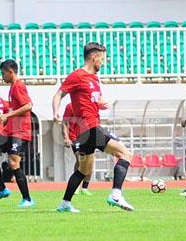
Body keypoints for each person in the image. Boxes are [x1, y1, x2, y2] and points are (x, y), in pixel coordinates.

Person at [52, 42, 135, 212]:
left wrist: (101, 104)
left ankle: (65, 204)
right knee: (125, 154)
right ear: (94, 57)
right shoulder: (77, 76)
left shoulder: (94, 79)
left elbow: (94, 100)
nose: (103, 63)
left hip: (86, 131)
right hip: (90, 128)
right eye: (102, 59)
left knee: (83, 170)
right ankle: (116, 194)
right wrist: (56, 112)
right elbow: (59, 94)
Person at [0, 60, 35, 208]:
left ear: (11, 72)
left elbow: (29, 106)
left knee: (13, 163)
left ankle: (27, 199)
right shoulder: (12, 87)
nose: (2, 76)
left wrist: (7, 116)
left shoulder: (19, 86)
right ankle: (1, 188)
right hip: (9, 130)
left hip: (20, 131)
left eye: (3, 73)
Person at [63, 103, 92, 196]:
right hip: (74, 137)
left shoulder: (87, 104)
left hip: (87, 136)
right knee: (80, 159)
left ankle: (84, 188)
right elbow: (65, 122)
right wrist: (66, 138)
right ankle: (75, 187)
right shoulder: (70, 106)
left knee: (90, 161)